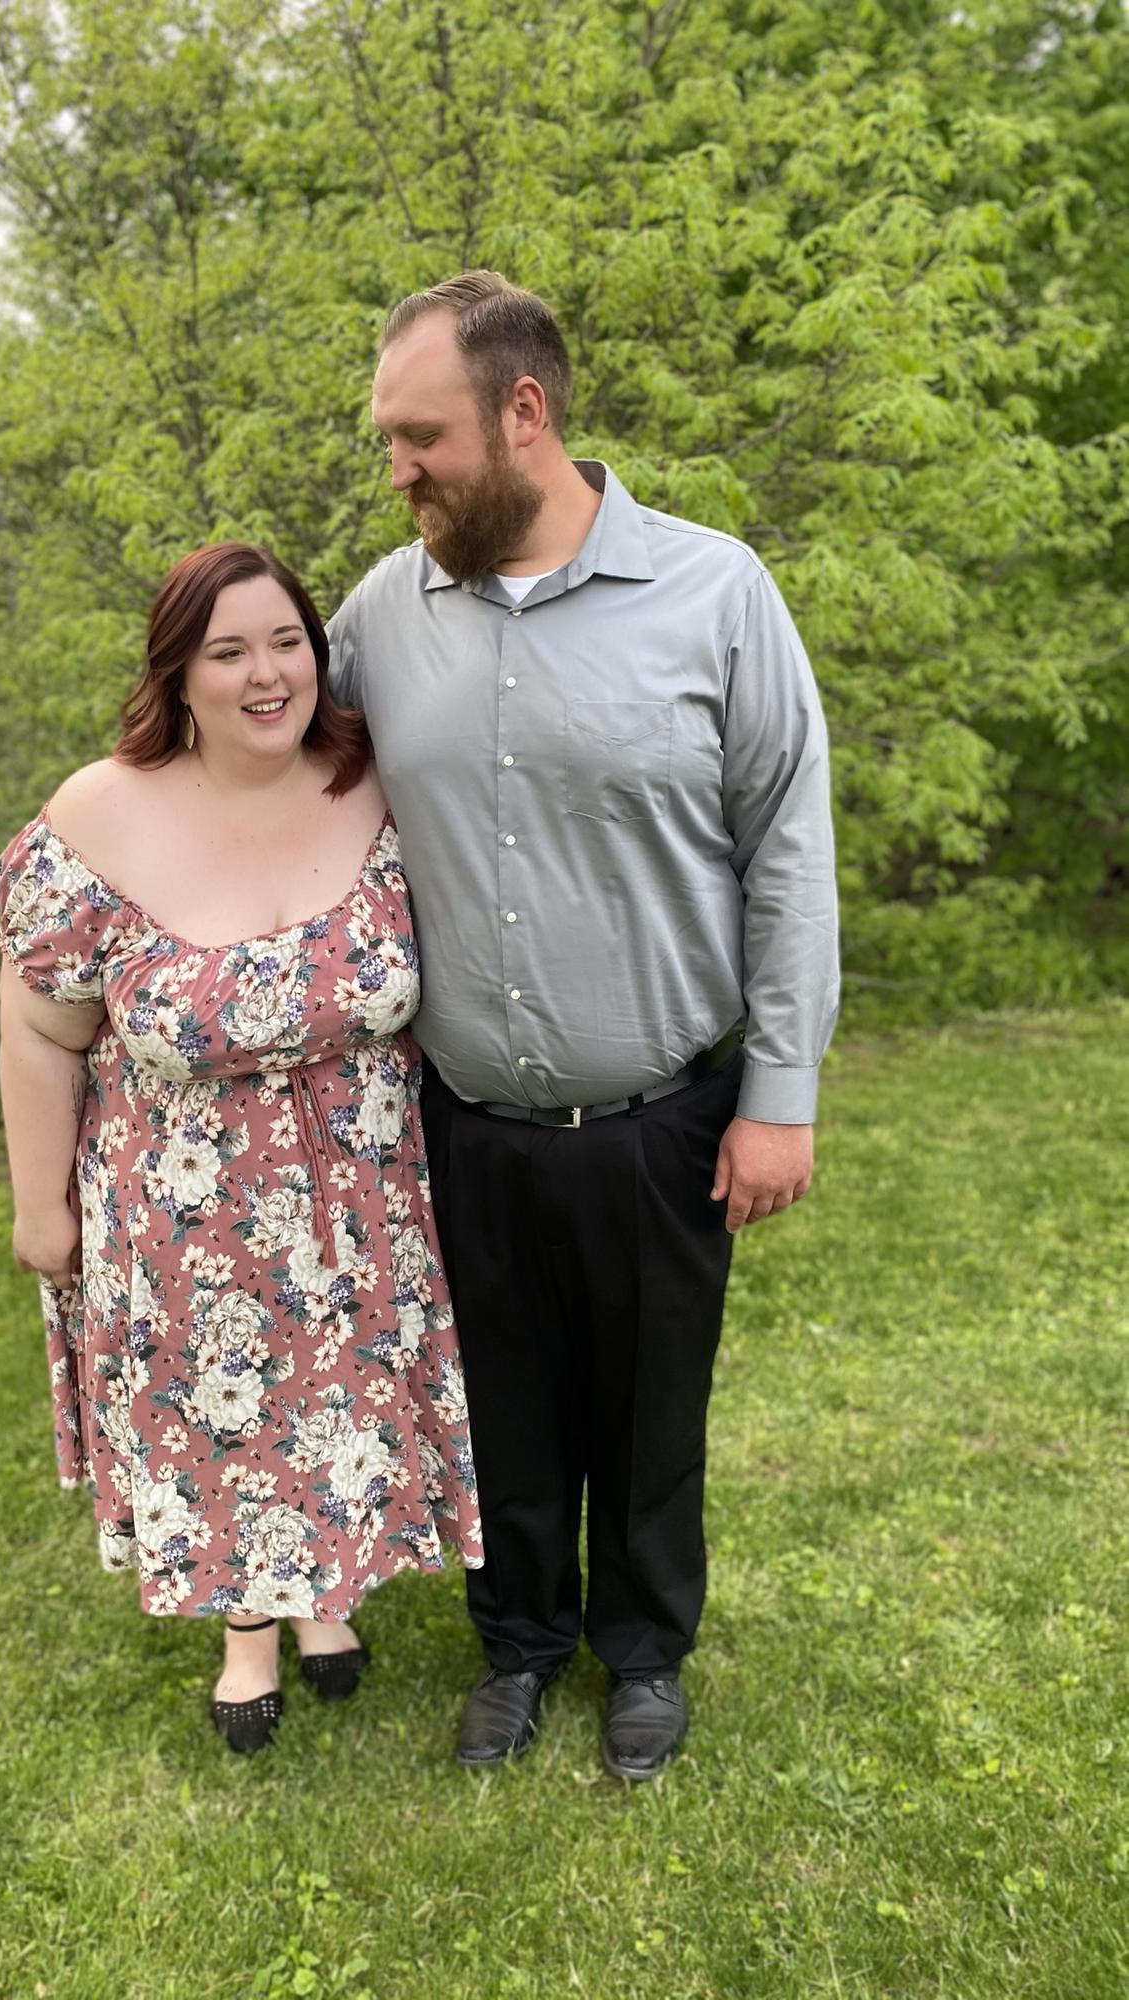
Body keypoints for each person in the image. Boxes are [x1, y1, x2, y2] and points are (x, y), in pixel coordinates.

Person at [326, 272, 840, 1780]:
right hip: (462, 1117)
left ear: (525, 412)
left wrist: (782, 1093)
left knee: (651, 1409)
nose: (398, 469)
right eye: (388, 440)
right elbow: (264, 760)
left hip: (662, 1113)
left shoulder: (716, 591)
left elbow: (789, 848)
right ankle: (519, 1643)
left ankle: (644, 1653)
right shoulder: (380, 614)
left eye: (421, 437)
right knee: (504, 1405)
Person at [0, 541, 483, 1754]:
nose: (267, 674)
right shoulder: (99, 814)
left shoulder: (379, 785)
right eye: (228, 651)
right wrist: (39, 1204)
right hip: (181, 1209)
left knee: (336, 1400)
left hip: (364, 1200)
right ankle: (246, 1630)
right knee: (218, 1415)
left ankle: (325, 1596)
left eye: (285, 642)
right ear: (178, 674)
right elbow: (40, 1028)